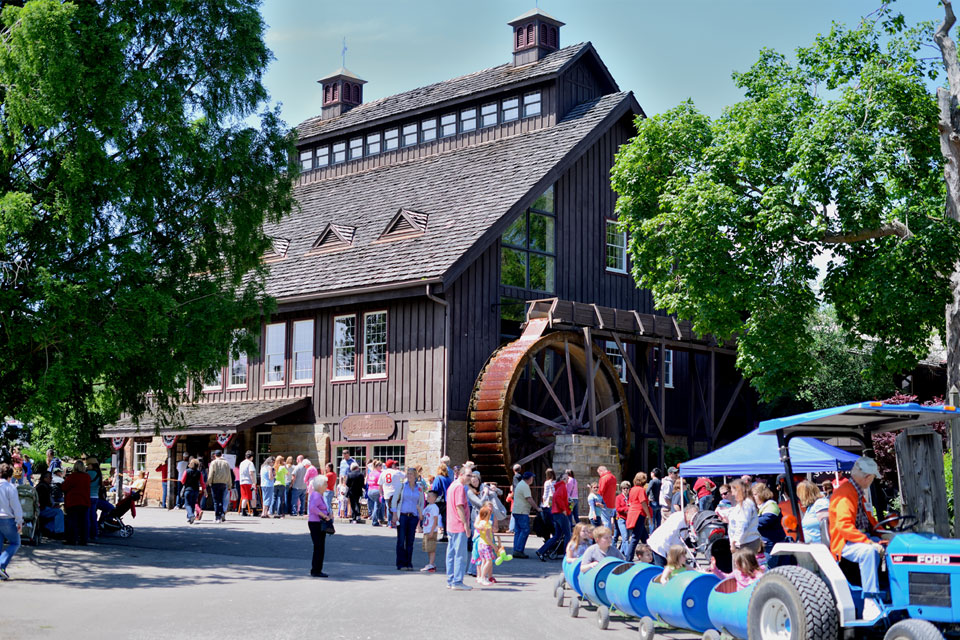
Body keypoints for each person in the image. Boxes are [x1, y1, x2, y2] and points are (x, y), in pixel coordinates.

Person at [829, 456, 885, 621]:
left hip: (861, 537)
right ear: (867, 477)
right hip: (846, 543)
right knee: (868, 552)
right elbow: (843, 527)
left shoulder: (858, 493)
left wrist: (886, 533)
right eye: (873, 477)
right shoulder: (845, 494)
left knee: (893, 546)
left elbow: (870, 521)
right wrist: (868, 542)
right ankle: (870, 601)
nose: (872, 481)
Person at [392, 467, 425, 571]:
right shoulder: (402, 486)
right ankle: (401, 563)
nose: (409, 476)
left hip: (413, 517)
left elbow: (421, 502)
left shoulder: (419, 488)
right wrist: (394, 514)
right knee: (401, 540)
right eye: (408, 474)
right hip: (402, 515)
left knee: (410, 541)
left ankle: (408, 562)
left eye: (411, 474)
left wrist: (421, 514)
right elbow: (394, 500)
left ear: (415, 476)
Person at [446, 466, 472, 590]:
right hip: (458, 525)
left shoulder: (452, 485)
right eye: (468, 475)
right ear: (461, 475)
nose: (470, 478)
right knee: (460, 555)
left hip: (451, 524)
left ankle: (450, 580)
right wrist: (466, 525)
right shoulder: (460, 487)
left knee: (451, 554)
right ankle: (457, 582)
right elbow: (459, 506)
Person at [538, 469, 570, 561]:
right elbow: (558, 498)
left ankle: (541, 550)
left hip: (556, 513)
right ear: (561, 479)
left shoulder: (559, 486)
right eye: (565, 478)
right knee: (567, 534)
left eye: (567, 478)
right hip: (560, 513)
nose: (567, 480)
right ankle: (566, 554)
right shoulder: (562, 486)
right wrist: (564, 509)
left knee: (557, 535)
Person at [726, 479, 762, 554]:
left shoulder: (746, 504)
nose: (732, 494)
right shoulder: (742, 504)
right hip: (745, 542)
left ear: (738, 491)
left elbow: (743, 525)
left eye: (733, 491)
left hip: (745, 544)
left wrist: (734, 541)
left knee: (743, 565)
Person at [0, 463, 23, 580]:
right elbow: (16, 506)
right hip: (6, 518)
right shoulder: (10, 487)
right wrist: (20, 521)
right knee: (15, 542)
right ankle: (1, 565)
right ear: (10, 476)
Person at [307, 475, 333, 578]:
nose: (326, 485)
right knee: (319, 547)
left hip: (317, 522)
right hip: (316, 523)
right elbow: (312, 508)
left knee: (319, 547)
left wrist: (328, 514)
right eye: (325, 483)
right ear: (320, 485)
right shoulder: (317, 495)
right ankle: (316, 570)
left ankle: (317, 569)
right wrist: (324, 516)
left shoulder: (318, 494)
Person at [62, 460, 91, 546]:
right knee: (83, 522)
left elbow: (64, 487)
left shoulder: (72, 476)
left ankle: (72, 539)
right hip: (84, 501)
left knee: (72, 521)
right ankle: (83, 540)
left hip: (73, 501)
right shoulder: (87, 477)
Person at [625, 472, 652, 561]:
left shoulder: (632, 489)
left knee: (645, 538)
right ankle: (628, 558)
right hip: (639, 513)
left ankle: (651, 554)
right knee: (635, 538)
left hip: (633, 513)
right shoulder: (640, 490)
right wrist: (649, 515)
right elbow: (643, 503)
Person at [753, 482, 786, 554]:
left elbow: (766, 520)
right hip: (765, 542)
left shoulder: (771, 504)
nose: (753, 497)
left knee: (770, 565)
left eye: (755, 494)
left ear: (762, 494)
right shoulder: (761, 506)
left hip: (771, 543)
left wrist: (750, 522)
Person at [511, 471, 537, 558]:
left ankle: (516, 549)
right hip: (522, 511)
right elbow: (529, 499)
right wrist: (537, 508)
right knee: (525, 530)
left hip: (516, 510)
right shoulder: (525, 486)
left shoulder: (520, 484)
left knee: (518, 531)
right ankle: (519, 550)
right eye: (532, 478)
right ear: (529, 479)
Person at [473, 503, 498, 586]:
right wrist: (494, 546)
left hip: (481, 544)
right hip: (486, 545)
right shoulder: (486, 524)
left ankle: (481, 577)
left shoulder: (481, 523)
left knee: (483, 561)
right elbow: (488, 537)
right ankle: (483, 577)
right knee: (489, 561)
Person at [36, 471, 64, 537]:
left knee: (57, 513)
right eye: (50, 477)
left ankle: (48, 529)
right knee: (59, 512)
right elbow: (44, 501)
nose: (51, 479)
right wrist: (53, 506)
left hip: (42, 508)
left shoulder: (42, 486)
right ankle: (59, 532)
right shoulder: (43, 487)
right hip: (42, 509)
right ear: (45, 478)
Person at [207, 450, 232, 523]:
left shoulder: (213, 463)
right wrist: (229, 484)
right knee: (221, 500)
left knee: (216, 501)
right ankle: (222, 513)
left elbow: (211, 473)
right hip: (223, 483)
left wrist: (209, 482)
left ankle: (217, 517)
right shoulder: (226, 463)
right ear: (221, 455)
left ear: (215, 455)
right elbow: (228, 475)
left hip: (215, 483)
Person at [180, 458, 206, 525]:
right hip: (196, 490)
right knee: (193, 504)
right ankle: (189, 518)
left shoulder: (187, 471)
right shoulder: (199, 473)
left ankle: (191, 515)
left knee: (187, 504)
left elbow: (182, 481)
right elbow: (202, 482)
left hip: (188, 490)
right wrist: (205, 490)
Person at [421, 490, 441, 572]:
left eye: (429, 496)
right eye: (427, 496)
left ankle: (431, 563)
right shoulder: (427, 507)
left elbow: (435, 520)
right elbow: (422, 517)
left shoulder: (434, 507)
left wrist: (432, 531)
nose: (427, 497)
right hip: (426, 530)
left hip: (431, 530)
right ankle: (431, 563)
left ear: (434, 498)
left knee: (432, 548)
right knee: (428, 548)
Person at [380, 460, 404, 528]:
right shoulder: (396, 472)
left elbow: (380, 484)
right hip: (395, 492)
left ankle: (390, 523)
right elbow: (405, 476)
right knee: (396, 508)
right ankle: (395, 522)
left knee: (388, 508)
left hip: (387, 492)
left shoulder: (383, 473)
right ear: (392, 465)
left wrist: (381, 494)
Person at [431, 463, 452, 541]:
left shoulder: (438, 478)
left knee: (433, 517)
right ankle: (445, 535)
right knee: (445, 519)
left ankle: (432, 533)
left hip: (439, 500)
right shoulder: (448, 479)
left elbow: (435, 489)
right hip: (447, 500)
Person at [86, 457, 104, 540]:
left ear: (92, 465)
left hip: (88, 496)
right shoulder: (99, 474)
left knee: (87, 516)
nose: (87, 466)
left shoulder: (88, 473)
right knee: (93, 516)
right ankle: (95, 533)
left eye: (88, 465)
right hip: (95, 496)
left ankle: (88, 534)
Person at [238, 451, 256, 516]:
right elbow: (251, 473)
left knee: (244, 497)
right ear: (251, 457)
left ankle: (243, 511)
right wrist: (253, 482)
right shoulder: (250, 463)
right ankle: (254, 511)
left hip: (242, 482)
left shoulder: (242, 463)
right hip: (249, 482)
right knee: (252, 497)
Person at [615, 480, 630, 551]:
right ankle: (628, 556)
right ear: (621, 489)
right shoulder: (618, 497)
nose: (626, 490)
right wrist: (626, 508)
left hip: (629, 520)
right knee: (625, 538)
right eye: (624, 488)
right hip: (621, 519)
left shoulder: (630, 498)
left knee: (626, 538)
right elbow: (618, 508)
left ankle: (620, 553)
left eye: (627, 488)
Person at [367, 460, 383, 526]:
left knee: (376, 506)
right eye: (381, 466)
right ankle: (375, 521)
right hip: (376, 490)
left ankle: (380, 518)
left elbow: (367, 482)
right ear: (378, 466)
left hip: (370, 490)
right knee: (377, 506)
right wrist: (381, 493)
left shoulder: (371, 473)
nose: (381, 467)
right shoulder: (380, 474)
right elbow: (380, 484)